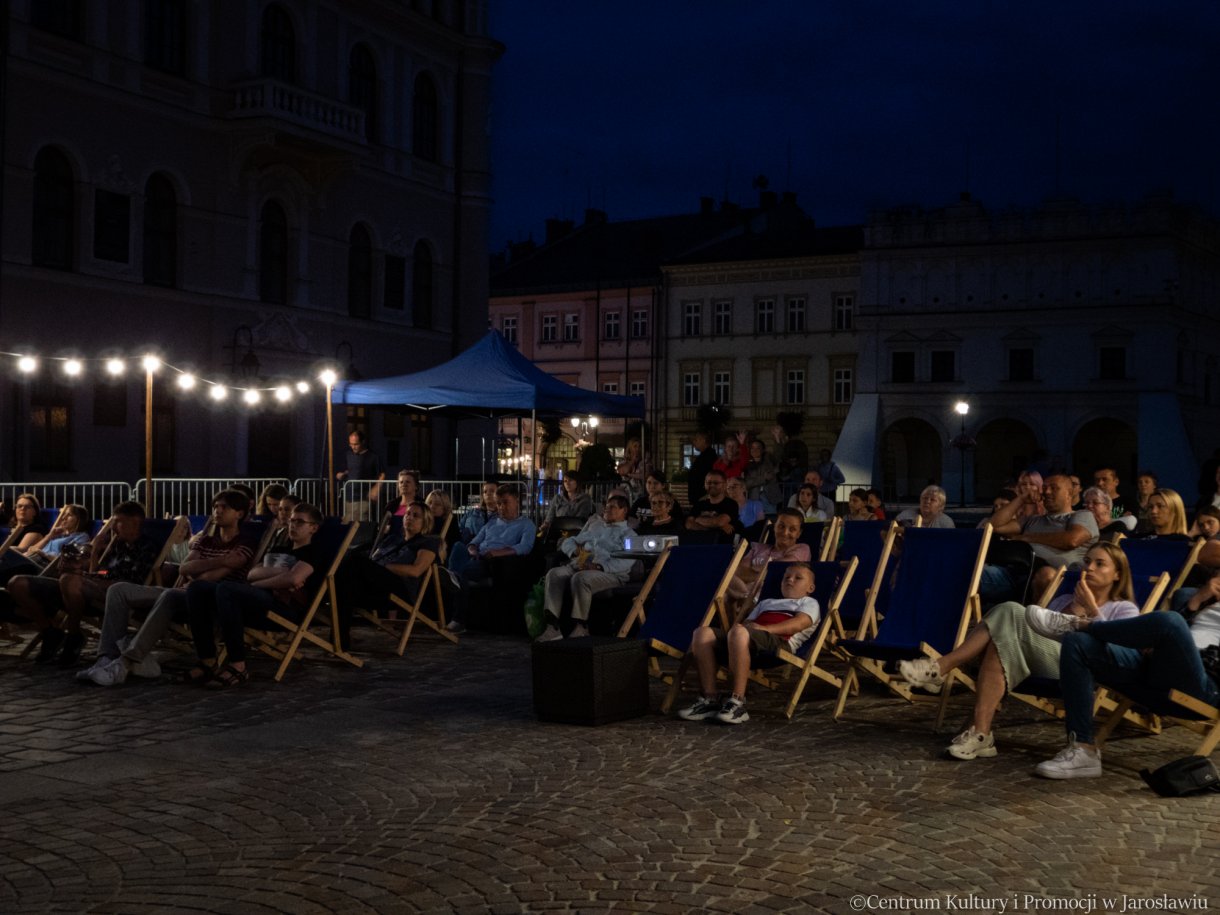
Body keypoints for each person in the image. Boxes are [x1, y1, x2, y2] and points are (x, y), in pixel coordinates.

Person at [899, 543, 1139, 760]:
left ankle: (940, 667)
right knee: (1000, 641)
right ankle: (981, 734)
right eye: (1087, 561)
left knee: (1010, 610)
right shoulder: (1064, 599)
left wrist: (1091, 608)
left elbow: (1118, 652)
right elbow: (1037, 629)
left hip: (1077, 667)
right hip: (1042, 658)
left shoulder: (1123, 608)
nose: (1090, 568)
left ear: (1118, 574)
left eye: (1100, 563)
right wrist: (1073, 607)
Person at [1029, 579, 1220, 779]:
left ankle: (1083, 625)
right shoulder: (1201, 596)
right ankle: (1083, 751)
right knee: (1078, 643)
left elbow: (1174, 630)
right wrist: (1196, 602)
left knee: (1171, 622)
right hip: (1156, 664)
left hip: (1204, 684)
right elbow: (1179, 636)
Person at [79, 489, 258, 687]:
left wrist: (198, 569)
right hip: (182, 592)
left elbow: (210, 578)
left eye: (225, 507)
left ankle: (127, 662)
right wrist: (223, 559)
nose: (218, 511)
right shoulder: (205, 540)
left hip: (207, 599)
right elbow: (185, 567)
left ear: (239, 514)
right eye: (215, 506)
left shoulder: (245, 543)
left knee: (172, 594)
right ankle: (106, 658)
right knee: (118, 590)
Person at [180, 502, 327, 688]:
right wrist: (281, 575)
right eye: (291, 521)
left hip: (283, 609)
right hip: (259, 600)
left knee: (227, 588)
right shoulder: (279, 550)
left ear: (313, 527)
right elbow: (252, 573)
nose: (293, 525)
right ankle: (207, 660)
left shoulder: (314, 552)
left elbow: (293, 578)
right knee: (197, 588)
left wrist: (262, 583)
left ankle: (238, 666)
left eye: (299, 522)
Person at [7, 501, 159, 666]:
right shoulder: (117, 544)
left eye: (118, 522)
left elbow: (131, 583)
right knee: (17, 583)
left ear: (135, 522)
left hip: (115, 593)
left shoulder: (147, 547)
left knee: (69, 579)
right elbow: (102, 572)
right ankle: (50, 632)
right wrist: (92, 558)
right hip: (86, 587)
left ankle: (74, 635)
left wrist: (87, 578)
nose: (113, 527)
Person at [678, 562, 820, 725]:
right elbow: (745, 625)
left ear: (810, 588)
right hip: (750, 640)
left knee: (739, 632)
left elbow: (798, 624)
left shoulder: (809, 602)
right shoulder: (766, 603)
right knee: (702, 633)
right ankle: (709, 700)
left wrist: (765, 629)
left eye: (798, 578)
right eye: (786, 577)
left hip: (780, 642)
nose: (790, 580)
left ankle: (737, 703)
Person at [334, 501, 441, 645]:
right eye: (408, 514)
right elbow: (373, 559)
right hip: (377, 585)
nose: (409, 517)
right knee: (345, 588)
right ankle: (340, 641)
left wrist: (384, 566)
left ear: (426, 522)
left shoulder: (427, 542)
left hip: (400, 589)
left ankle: (340, 640)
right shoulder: (392, 539)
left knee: (356, 562)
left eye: (416, 516)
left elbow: (416, 571)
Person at [979, 473, 1097, 605]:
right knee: (969, 572)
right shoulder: (1032, 520)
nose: (1047, 492)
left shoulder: (1082, 515)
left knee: (1046, 574)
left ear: (1069, 493)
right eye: (1044, 488)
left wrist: (1027, 538)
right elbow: (993, 526)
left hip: (1055, 579)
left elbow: (1072, 540)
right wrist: (1021, 499)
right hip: (1015, 573)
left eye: (1054, 488)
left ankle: (1032, 623)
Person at [536, 494, 636, 642]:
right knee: (554, 574)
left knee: (581, 578)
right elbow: (568, 542)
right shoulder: (596, 528)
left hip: (609, 573)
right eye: (606, 507)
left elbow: (627, 561)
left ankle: (581, 626)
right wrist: (575, 551)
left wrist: (598, 566)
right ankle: (553, 627)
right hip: (580, 565)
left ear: (624, 510)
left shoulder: (628, 534)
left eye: (612, 507)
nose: (607, 510)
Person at [448, 485, 537, 632]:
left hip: (492, 562)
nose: (501, 507)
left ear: (516, 501)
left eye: (505, 502)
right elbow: (474, 541)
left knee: (460, 573)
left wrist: (498, 553)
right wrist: (472, 549)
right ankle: (453, 576)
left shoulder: (526, 524)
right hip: (476, 556)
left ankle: (458, 616)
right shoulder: (492, 523)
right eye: (499, 503)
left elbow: (525, 547)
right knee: (458, 546)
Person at [726, 508, 811, 607]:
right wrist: (763, 575)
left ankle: (743, 597)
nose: (785, 533)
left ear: (799, 533)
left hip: (768, 599)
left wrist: (753, 571)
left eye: (792, 529)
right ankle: (744, 595)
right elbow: (738, 570)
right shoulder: (757, 548)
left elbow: (775, 570)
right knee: (725, 575)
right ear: (774, 527)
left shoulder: (802, 549)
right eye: (781, 526)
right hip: (744, 594)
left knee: (726, 588)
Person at [0, 503, 90, 583]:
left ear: (79, 519)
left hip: (45, 566)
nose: (63, 518)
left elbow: (70, 562)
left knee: (7, 551)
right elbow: (31, 549)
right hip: (32, 559)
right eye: (63, 515)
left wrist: (43, 554)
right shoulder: (58, 535)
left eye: (69, 515)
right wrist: (49, 536)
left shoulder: (81, 537)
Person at [450, 480, 499, 576]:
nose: (488, 494)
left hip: (482, 552)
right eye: (485, 492)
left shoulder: (501, 517)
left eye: (492, 491)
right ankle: (452, 576)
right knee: (457, 545)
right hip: (466, 546)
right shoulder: (472, 512)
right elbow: (460, 528)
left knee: (464, 567)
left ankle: (453, 576)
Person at [337, 430, 385, 522]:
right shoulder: (348, 454)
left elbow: (382, 474)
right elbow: (348, 470)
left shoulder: (373, 456)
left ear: (363, 442)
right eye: (351, 444)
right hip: (349, 497)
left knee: (362, 523)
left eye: (356, 444)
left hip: (364, 497)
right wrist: (342, 474)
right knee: (347, 524)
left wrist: (376, 488)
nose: (353, 447)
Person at [685, 470, 740, 543]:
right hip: (698, 543)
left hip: (721, 546)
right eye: (709, 482)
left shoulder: (731, 504)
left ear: (724, 485)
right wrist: (716, 528)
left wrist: (697, 520)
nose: (712, 485)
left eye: (716, 483)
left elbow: (719, 522)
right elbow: (688, 524)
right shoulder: (699, 504)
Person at [538, 473, 595, 538]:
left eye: (570, 480)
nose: (567, 483)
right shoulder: (557, 498)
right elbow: (549, 517)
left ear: (577, 482)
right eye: (565, 481)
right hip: (558, 532)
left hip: (577, 533)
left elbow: (580, 520)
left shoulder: (585, 499)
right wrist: (545, 525)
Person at [743, 439, 781, 509]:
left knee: (771, 519)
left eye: (758, 448)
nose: (755, 450)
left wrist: (777, 440)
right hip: (754, 498)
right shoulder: (747, 466)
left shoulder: (769, 460)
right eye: (752, 448)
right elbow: (747, 483)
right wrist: (764, 478)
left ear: (763, 449)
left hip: (770, 498)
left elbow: (778, 455)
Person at [424, 489, 459, 561]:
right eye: (429, 503)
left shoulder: (450, 522)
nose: (432, 506)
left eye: (437, 504)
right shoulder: (423, 521)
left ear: (445, 507)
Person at [687, 432, 718, 504]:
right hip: (698, 496)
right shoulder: (703, 456)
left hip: (703, 497)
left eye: (696, 440)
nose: (694, 442)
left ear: (703, 440)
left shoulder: (709, 456)